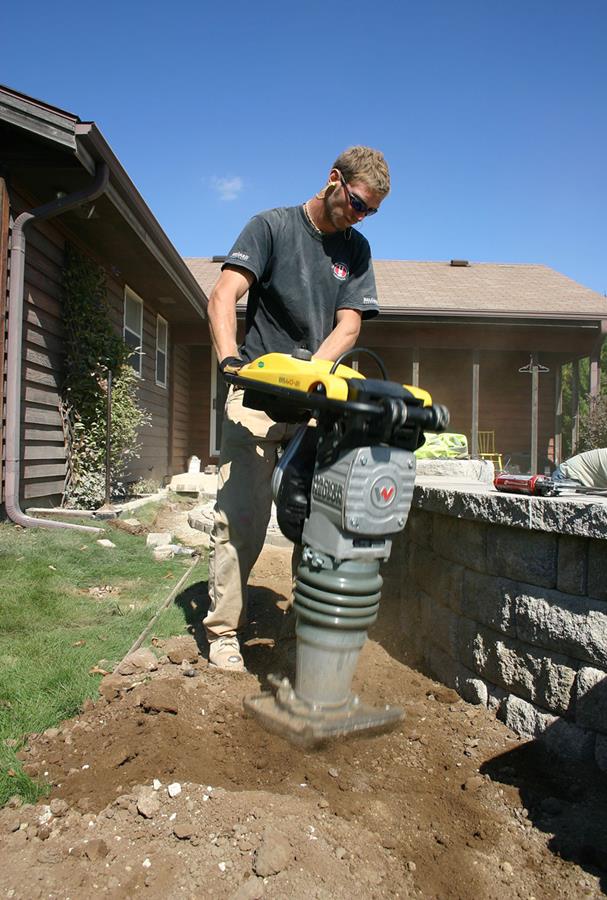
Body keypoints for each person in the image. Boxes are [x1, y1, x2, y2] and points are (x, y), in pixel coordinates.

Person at [204, 146, 390, 671]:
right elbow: (223, 297)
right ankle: (222, 632)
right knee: (242, 514)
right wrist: (230, 360)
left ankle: (296, 636)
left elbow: (349, 325)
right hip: (258, 396)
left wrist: (312, 379)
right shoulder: (271, 227)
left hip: (313, 403)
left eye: (370, 211)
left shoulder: (356, 250)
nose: (360, 215)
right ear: (334, 180)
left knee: (316, 518)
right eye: (357, 203)